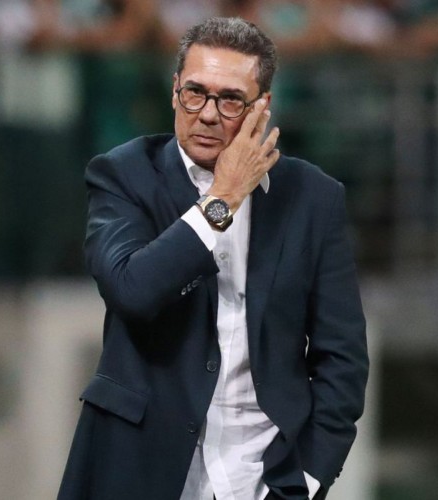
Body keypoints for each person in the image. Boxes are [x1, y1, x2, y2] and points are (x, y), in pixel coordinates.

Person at [58, 17, 369, 500]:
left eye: (229, 100)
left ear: (261, 108)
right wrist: (222, 199)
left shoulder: (313, 197)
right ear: (174, 92)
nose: (206, 114)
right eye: (195, 93)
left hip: (262, 477)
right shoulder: (123, 176)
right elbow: (132, 290)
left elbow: (342, 356)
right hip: (140, 469)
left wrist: (308, 477)